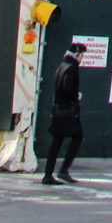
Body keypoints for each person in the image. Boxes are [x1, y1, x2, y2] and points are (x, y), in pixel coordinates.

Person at [42, 40, 86, 185]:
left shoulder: (62, 65)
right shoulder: (72, 67)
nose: (82, 59)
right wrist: (76, 96)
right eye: (82, 56)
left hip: (58, 110)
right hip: (67, 111)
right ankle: (63, 170)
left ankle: (48, 174)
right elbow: (68, 89)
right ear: (77, 54)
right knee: (78, 136)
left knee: (57, 141)